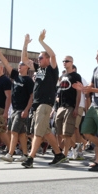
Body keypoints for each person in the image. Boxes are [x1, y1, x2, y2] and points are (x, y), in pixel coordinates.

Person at [21, 30, 67, 168]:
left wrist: (41, 41)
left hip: (45, 103)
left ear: (46, 59)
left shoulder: (52, 69)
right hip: (37, 104)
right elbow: (24, 60)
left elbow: (53, 54)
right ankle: (59, 154)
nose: (38, 60)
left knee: (38, 132)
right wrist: (25, 44)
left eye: (40, 58)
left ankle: (30, 158)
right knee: (45, 130)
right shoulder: (38, 69)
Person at [0, 39, 34, 162]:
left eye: (22, 64)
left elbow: (32, 96)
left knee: (14, 132)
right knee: (20, 134)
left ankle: (10, 154)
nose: (19, 66)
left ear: (27, 67)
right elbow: (6, 64)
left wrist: (26, 110)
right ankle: (25, 154)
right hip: (15, 109)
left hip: (22, 110)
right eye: (19, 64)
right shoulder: (15, 76)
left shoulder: (28, 80)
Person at [55, 55, 82, 159]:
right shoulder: (62, 77)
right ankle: (74, 146)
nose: (64, 63)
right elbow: (59, 91)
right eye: (63, 61)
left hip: (70, 106)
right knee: (59, 132)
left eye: (67, 61)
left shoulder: (76, 76)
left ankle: (64, 155)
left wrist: (76, 108)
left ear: (72, 62)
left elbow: (78, 93)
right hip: (61, 106)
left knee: (67, 133)